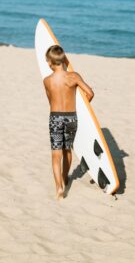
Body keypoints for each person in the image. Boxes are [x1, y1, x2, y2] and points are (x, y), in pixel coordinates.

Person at [43, 44, 94, 200]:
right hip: (71, 117)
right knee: (67, 150)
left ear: (51, 62)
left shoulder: (47, 80)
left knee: (56, 154)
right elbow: (90, 93)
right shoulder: (74, 76)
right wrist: (83, 108)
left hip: (55, 118)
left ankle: (59, 188)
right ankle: (65, 177)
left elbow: (50, 100)